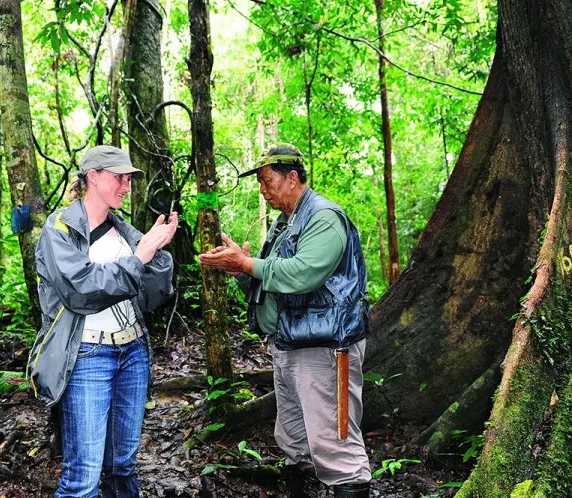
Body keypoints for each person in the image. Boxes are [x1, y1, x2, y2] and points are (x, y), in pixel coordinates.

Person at [199, 143, 371, 498]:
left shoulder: (324, 218)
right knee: (294, 437)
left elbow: (303, 273)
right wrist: (240, 268)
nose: (263, 190)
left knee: (334, 442)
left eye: (267, 181)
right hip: (290, 342)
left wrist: (247, 264)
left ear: (292, 178)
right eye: (260, 183)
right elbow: (271, 280)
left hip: (326, 347)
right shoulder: (284, 224)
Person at [27, 145, 178, 497]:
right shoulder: (59, 229)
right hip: (87, 355)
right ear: (93, 177)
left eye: (128, 178)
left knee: (123, 464)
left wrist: (158, 251)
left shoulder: (121, 227)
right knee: (83, 478)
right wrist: (140, 257)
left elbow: (154, 294)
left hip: (133, 351)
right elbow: (81, 290)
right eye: (119, 177)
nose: (126, 185)